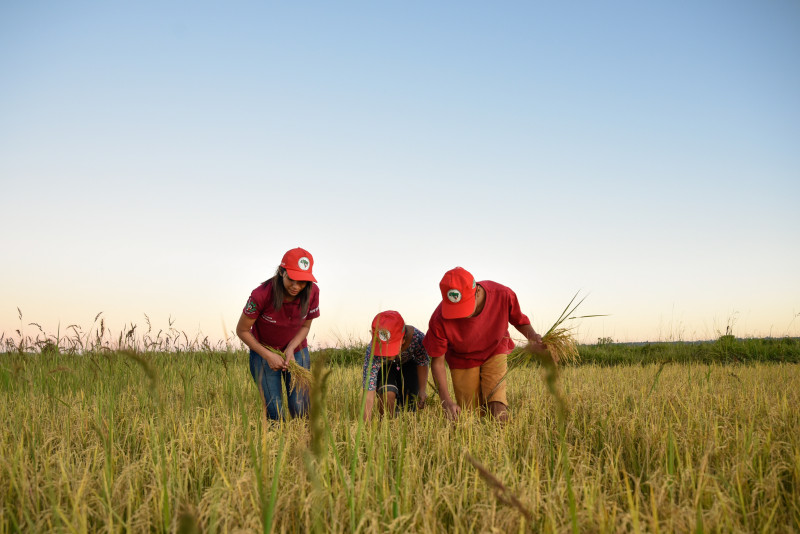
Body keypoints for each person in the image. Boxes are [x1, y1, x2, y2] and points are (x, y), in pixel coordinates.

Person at [422, 267, 548, 422]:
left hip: (495, 349)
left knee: (497, 406)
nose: (460, 316)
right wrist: (446, 401)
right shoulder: (438, 319)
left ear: (478, 292)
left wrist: (533, 337)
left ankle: (501, 441)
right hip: (462, 359)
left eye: (464, 307)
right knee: (469, 417)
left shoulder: (502, 295)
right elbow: (438, 363)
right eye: (454, 310)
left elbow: (519, 320)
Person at [236, 247, 320, 420]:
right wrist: (268, 356)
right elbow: (242, 330)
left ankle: (303, 444)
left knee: (300, 406)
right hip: (264, 351)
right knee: (274, 409)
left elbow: (305, 326)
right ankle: (278, 445)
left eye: (302, 282)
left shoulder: (313, 293)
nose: (296, 286)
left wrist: (290, 348)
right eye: (291, 279)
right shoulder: (261, 295)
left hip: (296, 350)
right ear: (281, 272)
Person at [362, 310, 430, 421]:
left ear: (403, 339)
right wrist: (365, 427)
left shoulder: (418, 339)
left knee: (410, 403)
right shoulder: (372, 352)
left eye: (391, 348)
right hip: (386, 367)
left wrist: (422, 390)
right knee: (388, 392)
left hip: (409, 365)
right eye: (383, 349)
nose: (387, 354)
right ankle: (387, 423)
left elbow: (422, 363)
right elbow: (368, 392)